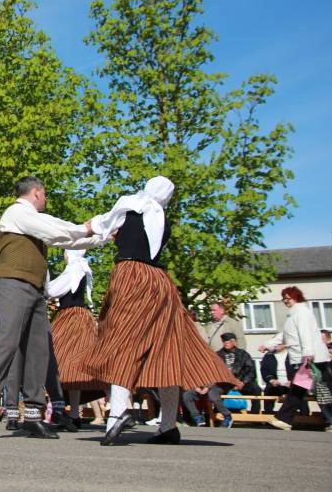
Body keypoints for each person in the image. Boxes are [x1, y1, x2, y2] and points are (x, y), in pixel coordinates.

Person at [83, 177, 237, 446]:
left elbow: (95, 227)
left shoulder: (129, 208)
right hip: (161, 282)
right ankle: (168, 425)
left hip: (132, 276)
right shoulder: (163, 220)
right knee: (167, 350)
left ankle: (118, 413)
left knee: (122, 342)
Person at [0, 176, 107, 441]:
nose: (46, 200)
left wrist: (101, 236)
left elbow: (67, 240)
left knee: (38, 349)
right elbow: (56, 232)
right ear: (36, 193)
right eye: (44, 195)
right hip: (13, 284)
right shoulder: (16, 212)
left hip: (34, 289)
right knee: (8, 343)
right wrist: (87, 227)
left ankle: (34, 415)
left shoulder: (33, 221)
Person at [260, 286, 332, 432]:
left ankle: (284, 419)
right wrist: (268, 344)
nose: (286, 301)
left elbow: (305, 334)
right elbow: (286, 335)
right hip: (306, 357)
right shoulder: (293, 315)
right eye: (284, 298)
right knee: (304, 390)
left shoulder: (302, 312)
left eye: (288, 298)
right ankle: (284, 419)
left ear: (296, 297)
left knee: (305, 390)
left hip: (312, 359)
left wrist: (308, 353)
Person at [46, 249, 107, 425]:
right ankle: (74, 413)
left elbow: (53, 289)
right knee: (77, 366)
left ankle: (70, 412)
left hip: (70, 317)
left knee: (63, 361)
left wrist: (41, 285)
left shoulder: (73, 269)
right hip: (81, 316)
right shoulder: (81, 268)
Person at [260, 342, 291, 414]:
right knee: (269, 390)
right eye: (274, 344)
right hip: (276, 382)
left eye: (279, 343)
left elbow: (298, 369)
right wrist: (272, 380)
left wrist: (292, 380)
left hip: (291, 382)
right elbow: (264, 370)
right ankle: (268, 415)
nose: (276, 346)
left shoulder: (292, 354)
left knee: (299, 391)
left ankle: (304, 416)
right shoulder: (269, 355)